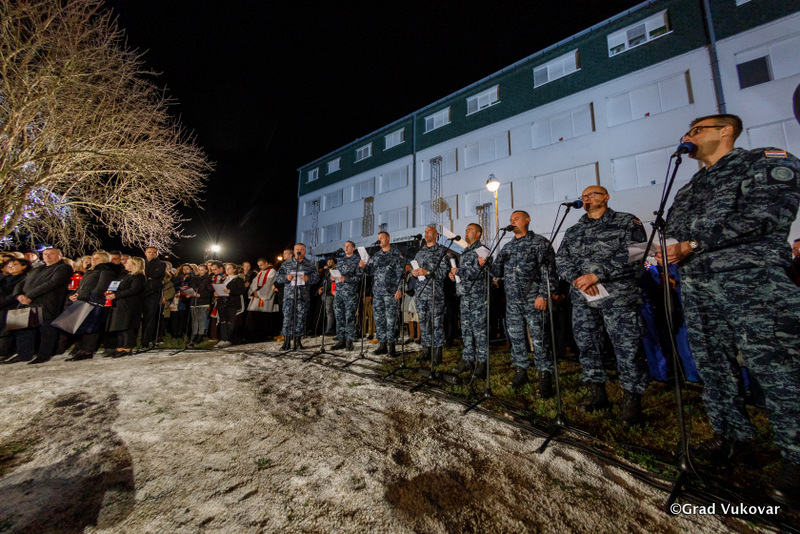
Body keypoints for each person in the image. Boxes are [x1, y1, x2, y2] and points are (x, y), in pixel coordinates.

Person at [658, 113, 800, 506]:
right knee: (713, 364)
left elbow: (768, 214)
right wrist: (669, 250)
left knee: (777, 366)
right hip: (698, 285)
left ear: (726, 131)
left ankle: (796, 456)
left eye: (696, 130)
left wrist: (694, 244)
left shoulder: (763, 161)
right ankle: (732, 436)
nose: (687, 136)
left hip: (752, 280)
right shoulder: (689, 187)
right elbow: (677, 231)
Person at [556, 186, 650, 427]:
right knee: (588, 345)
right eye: (583, 196)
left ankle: (631, 400)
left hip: (618, 297)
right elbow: (561, 259)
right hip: (583, 297)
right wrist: (578, 279)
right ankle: (597, 393)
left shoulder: (626, 221)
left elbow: (636, 253)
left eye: (592, 195)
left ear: (606, 197)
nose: (586, 199)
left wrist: (596, 275)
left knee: (627, 347)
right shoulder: (574, 230)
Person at [490, 211, 557, 391]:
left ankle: (544, 374)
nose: (512, 222)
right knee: (516, 337)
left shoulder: (539, 242)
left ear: (528, 220)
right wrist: (487, 263)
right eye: (511, 219)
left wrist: (543, 294)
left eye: (516, 219)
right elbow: (496, 272)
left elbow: (549, 272)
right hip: (513, 301)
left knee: (539, 338)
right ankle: (521, 370)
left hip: (534, 298)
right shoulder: (508, 246)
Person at [8, 248, 73, 364]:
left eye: (51, 254)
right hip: (25, 302)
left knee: (46, 331)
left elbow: (52, 283)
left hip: (46, 303)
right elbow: (21, 283)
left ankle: (44, 354)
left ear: (60, 255)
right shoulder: (37, 269)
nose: (47, 256)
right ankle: (23, 354)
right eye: (45, 254)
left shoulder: (63, 267)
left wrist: (29, 295)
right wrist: (18, 295)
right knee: (22, 329)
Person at [449, 223, 490, 378]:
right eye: (466, 229)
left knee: (479, 331)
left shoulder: (482, 250)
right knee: (466, 330)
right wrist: (453, 276)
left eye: (470, 230)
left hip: (477, 295)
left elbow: (479, 271)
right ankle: (468, 360)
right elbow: (463, 275)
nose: (466, 232)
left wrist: (458, 271)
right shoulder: (465, 251)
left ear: (478, 234)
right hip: (464, 295)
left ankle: (482, 363)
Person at [66, 250, 117, 361]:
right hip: (83, 300)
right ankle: (82, 348)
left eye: (97, 258)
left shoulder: (105, 271)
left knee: (91, 327)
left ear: (104, 260)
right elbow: (82, 286)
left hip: (93, 302)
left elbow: (101, 287)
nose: (93, 260)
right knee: (83, 326)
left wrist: (88, 297)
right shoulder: (91, 270)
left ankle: (88, 351)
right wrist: (75, 295)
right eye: (93, 257)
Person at [410, 226, 449, 365]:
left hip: (435, 294)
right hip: (420, 293)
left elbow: (443, 273)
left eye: (429, 232)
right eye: (425, 232)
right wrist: (413, 273)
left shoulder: (442, 252)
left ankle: (437, 354)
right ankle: (426, 351)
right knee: (424, 324)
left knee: (437, 324)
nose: (426, 234)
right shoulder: (420, 253)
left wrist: (427, 272)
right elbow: (414, 271)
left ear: (436, 234)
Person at [361, 231, 403, 356]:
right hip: (378, 292)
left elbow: (400, 274)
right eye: (378, 238)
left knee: (391, 320)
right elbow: (370, 272)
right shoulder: (376, 255)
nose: (379, 240)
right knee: (379, 319)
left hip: (391, 292)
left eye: (382, 238)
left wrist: (399, 289)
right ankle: (382, 345)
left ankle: (392, 346)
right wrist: (364, 267)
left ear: (388, 238)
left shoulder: (396, 254)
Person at [275, 243, 319, 349]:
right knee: (287, 318)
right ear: (294, 251)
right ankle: (286, 342)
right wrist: (286, 277)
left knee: (301, 318)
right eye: (297, 249)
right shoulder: (286, 264)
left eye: (302, 249)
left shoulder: (310, 264)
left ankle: (298, 341)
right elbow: (278, 277)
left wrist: (308, 279)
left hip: (303, 297)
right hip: (289, 296)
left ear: (305, 251)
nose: (299, 251)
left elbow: (316, 278)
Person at [106, 256, 146, 357]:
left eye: (128, 263)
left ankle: (127, 348)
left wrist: (116, 295)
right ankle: (119, 348)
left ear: (134, 265)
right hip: (120, 304)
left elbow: (133, 290)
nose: (125, 264)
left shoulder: (139, 277)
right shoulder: (125, 275)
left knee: (127, 327)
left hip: (130, 305)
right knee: (119, 326)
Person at [330, 241, 363, 351]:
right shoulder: (340, 261)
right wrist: (333, 277)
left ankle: (349, 341)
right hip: (338, 292)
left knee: (349, 317)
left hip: (350, 293)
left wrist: (346, 279)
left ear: (353, 248)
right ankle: (341, 340)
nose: (346, 248)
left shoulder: (357, 260)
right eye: (345, 246)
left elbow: (359, 277)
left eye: (348, 246)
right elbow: (337, 275)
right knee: (339, 317)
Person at [245, 258, 278, 342]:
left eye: (261, 265)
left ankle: (263, 335)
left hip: (265, 297)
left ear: (266, 263)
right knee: (253, 314)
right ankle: (252, 335)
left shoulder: (272, 272)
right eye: (259, 265)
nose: (260, 267)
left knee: (263, 316)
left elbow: (269, 284)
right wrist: (254, 291)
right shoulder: (260, 272)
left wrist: (259, 293)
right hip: (256, 295)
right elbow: (254, 282)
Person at [141, 247, 166, 347]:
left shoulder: (161, 264)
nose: (151, 254)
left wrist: (147, 275)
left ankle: (146, 340)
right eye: (149, 252)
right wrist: (148, 277)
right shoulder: (142, 263)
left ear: (157, 253)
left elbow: (156, 275)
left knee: (150, 317)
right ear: (145, 253)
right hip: (141, 291)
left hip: (153, 292)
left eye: (154, 252)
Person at [216, 263, 246, 348]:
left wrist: (230, 291)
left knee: (230, 321)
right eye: (226, 268)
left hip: (232, 303)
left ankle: (228, 339)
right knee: (223, 321)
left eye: (229, 268)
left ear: (234, 270)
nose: (227, 270)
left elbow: (242, 291)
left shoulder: (238, 279)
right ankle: (223, 339)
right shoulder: (223, 279)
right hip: (222, 303)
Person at [188, 263, 214, 346]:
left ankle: (200, 335)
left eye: (202, 270)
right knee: (194, 320)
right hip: (193, 302)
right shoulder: (194, 279)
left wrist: (200, 295)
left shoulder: (208, 280)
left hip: (203, 302)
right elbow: (190, 287)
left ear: (206, 270)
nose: (200, 271)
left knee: (201, 319)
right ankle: (194, 335)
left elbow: (210, 292)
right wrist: (188, 293)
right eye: (199, 269)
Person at [318, 257, 337, 336]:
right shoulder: (327, 272)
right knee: (326, 312)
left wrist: (323, 289)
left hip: (330, 294)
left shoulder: (335, 272)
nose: (328, 263)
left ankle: (329, 329)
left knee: (329, 312)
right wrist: (320, 288)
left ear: (334, 264)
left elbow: (331, 283)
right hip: (324, 294)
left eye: (330, 262)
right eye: (328, 262)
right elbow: (324, 281)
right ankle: (324, 328)